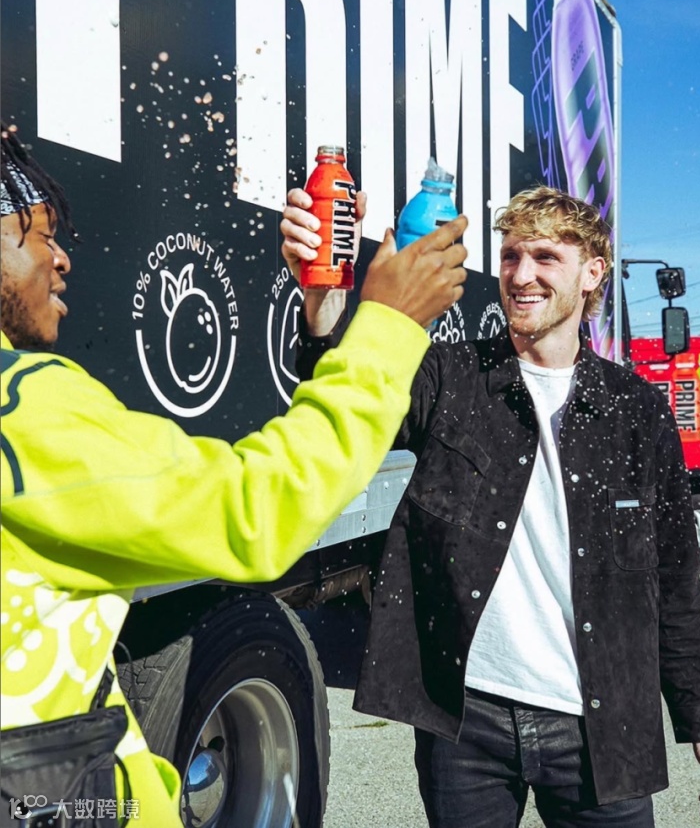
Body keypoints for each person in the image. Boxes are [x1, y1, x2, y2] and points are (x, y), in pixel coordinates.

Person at [0, 121, 468, 827]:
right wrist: (387, 323)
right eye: (40, 236)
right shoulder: (22, 410)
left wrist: (325, 310)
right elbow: (259, 509)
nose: (63, 258)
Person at [282, 185, 700, 828]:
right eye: (510, 256)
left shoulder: (637, 410)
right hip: (467, 723)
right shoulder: (450, 377)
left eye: (546, 257)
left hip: (599, 726)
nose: (521, 276)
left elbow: (675, 583)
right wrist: (322, 301)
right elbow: (344, 401)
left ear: (592, 273)